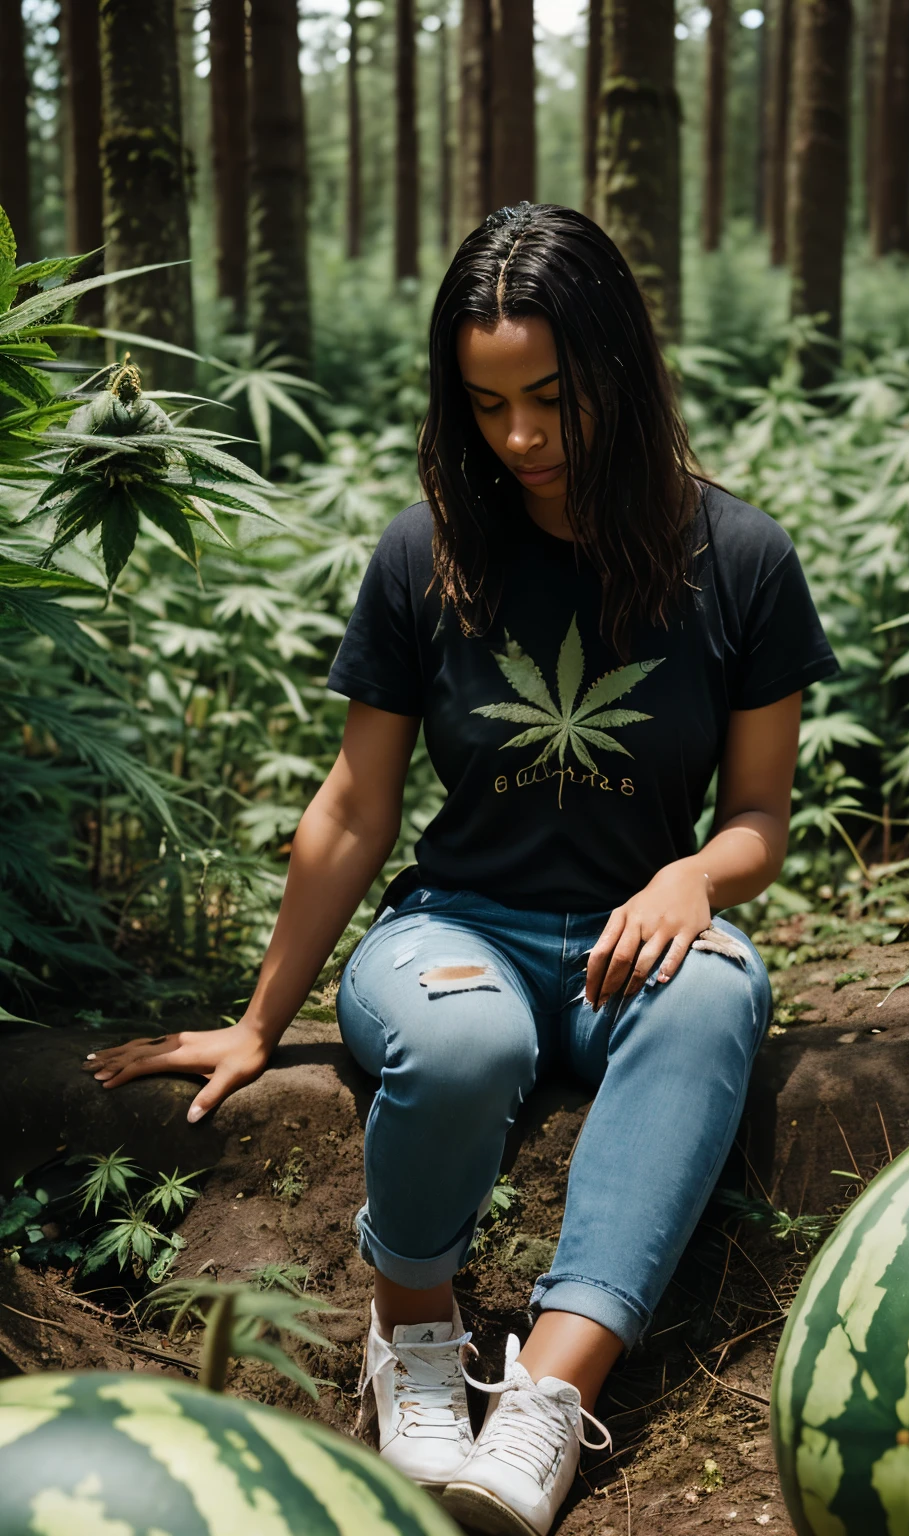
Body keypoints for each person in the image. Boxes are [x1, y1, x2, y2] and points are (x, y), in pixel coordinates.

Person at [82, 203, 840, 1536]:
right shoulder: (426, 553)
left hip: (639, 941)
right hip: (454, 927)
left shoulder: (743, 559)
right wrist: (261, 1024)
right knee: (467, 1037)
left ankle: (546, 1401)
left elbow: (761, 816)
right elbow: (356, 808)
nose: (524, 439)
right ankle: (416, 1341)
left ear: (620, 364)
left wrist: (693, 882)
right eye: (487, 407)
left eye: (552, 397)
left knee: (718, 996)